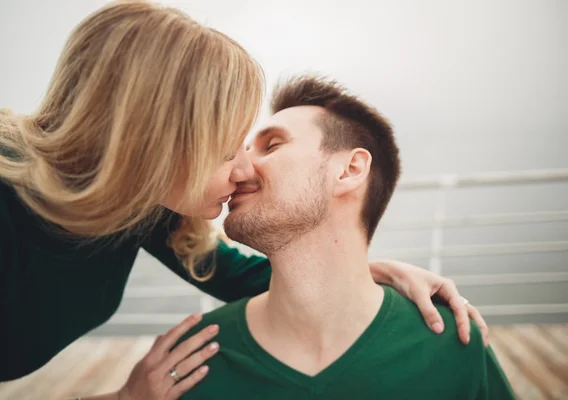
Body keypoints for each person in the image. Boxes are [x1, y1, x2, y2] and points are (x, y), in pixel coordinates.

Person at [0, 2, 487, 399]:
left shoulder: (141, 205)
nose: (245, 169)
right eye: (225, 147)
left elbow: (241, 273)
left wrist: (375, 272)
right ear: (152, 140)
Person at [176, 76, 515, 399]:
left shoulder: (451, 343)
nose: (240, 169)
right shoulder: (191, 360)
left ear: (350, 170)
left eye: (272, 145)